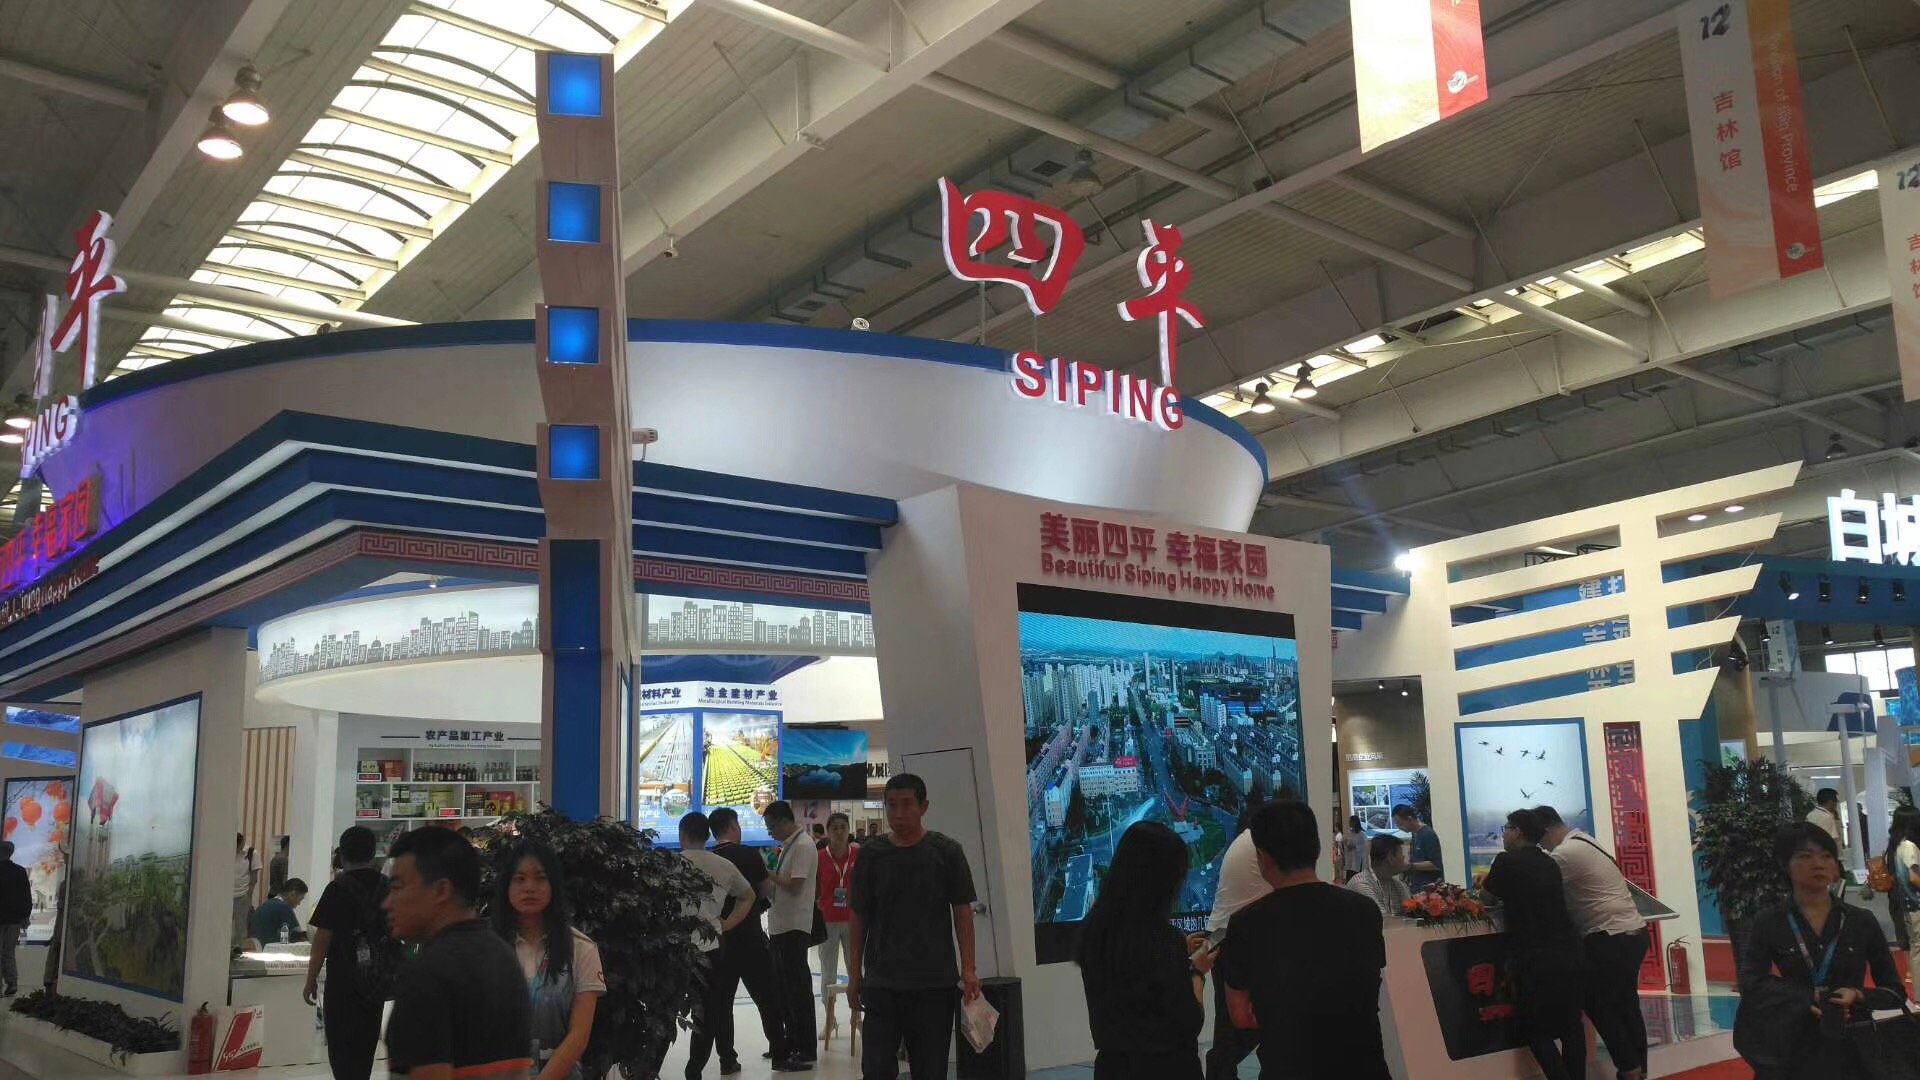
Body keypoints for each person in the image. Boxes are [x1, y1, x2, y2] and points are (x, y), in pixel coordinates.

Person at [1219, 801, 1388, 1079]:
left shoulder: (1246, 924)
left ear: (1263, 858)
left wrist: (1281, 1011)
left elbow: (1241, 1015)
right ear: (1317, 849)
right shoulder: (1364, 910)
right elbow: (1369, 984)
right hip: (1365, 1068)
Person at [1735, 822, 1907, 1078]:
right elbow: (1751, 983)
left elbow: (1894, 992)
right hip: (1790, 1046)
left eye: (1826, 856)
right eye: (1805, 856)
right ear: (1784, 864)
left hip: (1854, 1049)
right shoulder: (1770, 921)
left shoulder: (1860, 920)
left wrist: (1857, 994)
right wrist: (1805, 997)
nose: (1818, 864)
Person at [847, 773, 981, 1080]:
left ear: (924, 807)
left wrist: (969, 969)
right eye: (891, 805)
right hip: (882, 982)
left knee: (930, 1070)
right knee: (876, 1069)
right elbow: (858, 916)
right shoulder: (871, 856)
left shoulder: (947, 852)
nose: (898, 813)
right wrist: (855, 974)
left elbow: (962, 911)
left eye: (907, 805)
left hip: (933, 984)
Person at [384, 826, 533, 1078]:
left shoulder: (426, 974)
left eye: (397, 887)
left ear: (441, 891)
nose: (387, 902)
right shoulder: (504, 957)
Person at [1076, 822, 1208, 1080]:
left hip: (1112, 1069)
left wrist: (1178, 952)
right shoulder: (1163, 941)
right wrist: (1197, 972)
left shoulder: (1094, 933)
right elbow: (1189, 1022)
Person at [1534, 805, 1649, 1080]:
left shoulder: (1565, 853)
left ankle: (1629, 1066)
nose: (1541, 846)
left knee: (1594, 1000)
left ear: (1547, 830)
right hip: (1632, 932)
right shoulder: (1585, 840)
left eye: (1539, 839)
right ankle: (1638, 1070)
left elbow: (1534, 886)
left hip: (1608, 936)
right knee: (1626, 1005)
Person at [1480, 809, 1586, 1080]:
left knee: (1535, 1029)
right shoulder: (1548, 861)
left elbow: (1487, 898)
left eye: (1506, 828)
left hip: (1536, 957)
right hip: (1569, 951)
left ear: (1517, 831)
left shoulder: (1506, 861)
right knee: (1571, 1026)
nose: (1503, 834)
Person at [491, 841, 606, 1080]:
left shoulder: (581, 949)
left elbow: (579, 1035)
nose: (529, 888)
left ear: (553, 885)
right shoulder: (485, 945)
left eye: (540, 878)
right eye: (520, 879)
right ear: (506, 886)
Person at [305, 826, 389, 1080]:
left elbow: (322, 939)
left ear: (342, 854)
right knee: (366, 1041)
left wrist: (311, 979)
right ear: (373, 853)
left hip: (342, 978)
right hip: (376, 977)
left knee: (341, 1044)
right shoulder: (386, 886)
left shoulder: (336, 889)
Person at [679, 813, 756, 1080]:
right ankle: (694, 1068)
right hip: (711, 946)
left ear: (682, 835)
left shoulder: (671, 864)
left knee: (664, 1011)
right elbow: (748, 896)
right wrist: (727, 923)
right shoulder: (724, 866)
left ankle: (650, 1070)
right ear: (707, 836)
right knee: (708, 1012)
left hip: (676, 948)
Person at [707, 807, 783, 1074]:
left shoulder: (710, 859)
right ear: (732, 826)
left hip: (720, 942)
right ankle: (779, 1051)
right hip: (751, 938)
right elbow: (766, 890)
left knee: (722, 1003)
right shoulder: (749, 855)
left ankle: (727, 1060)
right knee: (767, 997)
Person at [1202, 826, 1272, 1080]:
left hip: (1223, 934)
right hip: (1233, 937)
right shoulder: (1266, 841)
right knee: (1249, 1023)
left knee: (1233, 1025)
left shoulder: (1249, 838)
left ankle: (1220, 1069)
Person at [763, 801, 819, 1073]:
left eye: (772, 827)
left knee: (798, 990)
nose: (770, 833)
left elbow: (796, 886)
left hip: (794, 926)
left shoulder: (804, 846)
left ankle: (806, 1049)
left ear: (785, 821)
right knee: (785, 990)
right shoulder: (789, 845)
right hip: (781, 924)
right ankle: (791, 1043)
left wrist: (767, 874)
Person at [816, 812, 860, 1048]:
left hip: (854, 920)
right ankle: (830, 1019)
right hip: (828, 920)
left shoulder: (858, 854)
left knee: (856, 970)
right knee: (828, 973)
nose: (840, 832)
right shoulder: (820, 857)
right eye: (835, 828)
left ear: (849, 829)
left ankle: (857, 1017)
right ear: (828, 832)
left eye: (843, 827)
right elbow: (814, 887)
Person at [1886, 806, 1920, 990]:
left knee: (1915, 948)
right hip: (1916, 904)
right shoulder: (1909, 846)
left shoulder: (1896, 845)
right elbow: (1914, 878)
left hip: (1906, 903)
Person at [1345, 834, 1411, 917]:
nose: (1404, 857)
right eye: (1401, 853)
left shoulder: (1398, 884)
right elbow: (1382, 920)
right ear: (1390, 858)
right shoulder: (1361, 884)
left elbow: (1411, 912)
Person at [0, 840, 29, 997]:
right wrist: (25, 916)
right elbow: (26, 896)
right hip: (14, 920)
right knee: (8, 952)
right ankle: (12, 983)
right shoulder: (20, 871)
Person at [1393, 804, 1443, 891]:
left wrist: (1411, 866)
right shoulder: (1414, 833)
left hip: (1429, 887)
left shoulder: (1427, 834)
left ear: (1409, 819)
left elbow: (1436, 864)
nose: (1399, 828)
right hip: (1417, 884)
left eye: (1400, 824)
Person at [250, 878, 310, 947]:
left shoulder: (265, 905)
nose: (299, 903)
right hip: (270, 949)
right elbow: (300, 935)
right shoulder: (284, 907)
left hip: (256, 946)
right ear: (292, 894)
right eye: (300, 899)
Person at [233, 833, 259, 948]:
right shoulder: (227, 850)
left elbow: (254, 878)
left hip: (243, 895)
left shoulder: (252, 853)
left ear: (242, 843)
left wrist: (248, 896)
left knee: (241, 928)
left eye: (238, 847)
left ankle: (239, 950)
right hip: (226, 895)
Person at [1341, 815, 1368, 884]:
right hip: (1350, 860)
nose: (1349, 823)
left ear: (1355, 822)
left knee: (1357, 881)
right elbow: (1346, 845)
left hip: (1358, 861)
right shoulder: (1349, 833)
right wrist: (1345, 843)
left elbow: (1364, 847)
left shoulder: (1362, 834)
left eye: (1350, 821)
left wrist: (1355, 846)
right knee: (1349, 881)